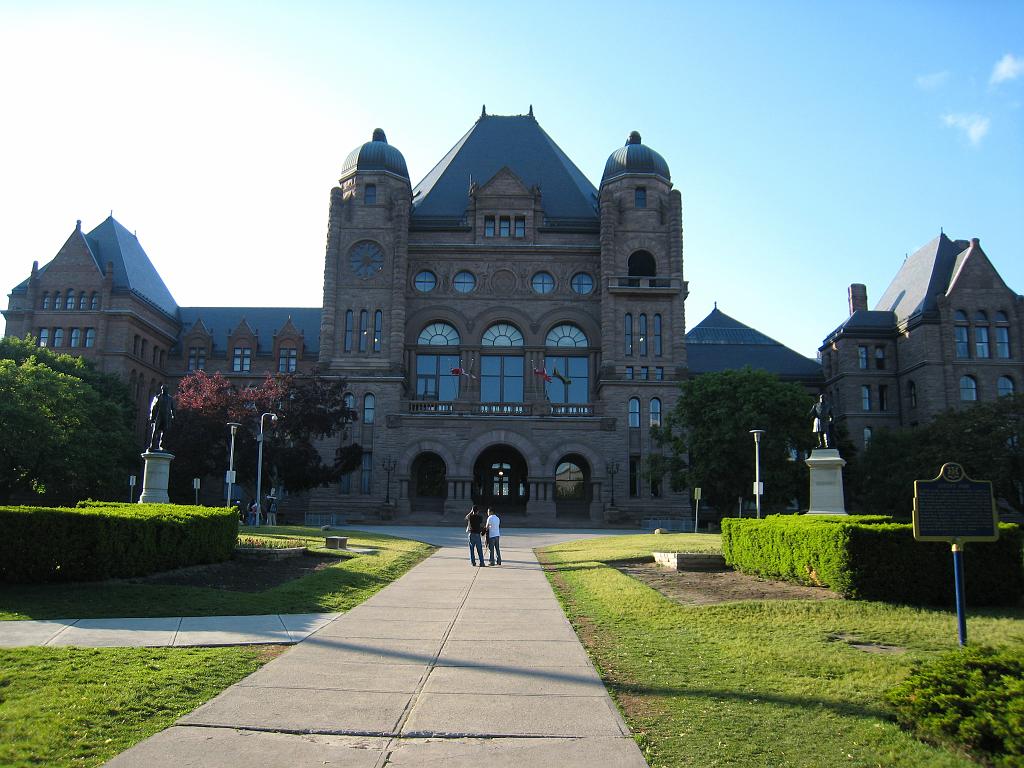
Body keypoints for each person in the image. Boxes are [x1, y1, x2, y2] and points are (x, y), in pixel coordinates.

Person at [147, 384, 175, 451]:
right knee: (155, 431)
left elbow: (173, 408)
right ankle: (152, 446)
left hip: (167, 416)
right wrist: (152, 418)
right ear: (161, 389)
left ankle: (162, 446)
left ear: (167, 390)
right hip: (158, 416)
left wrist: (174, 416)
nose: (164, 390)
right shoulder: (158, 397)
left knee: (165, 431)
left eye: (165, 389)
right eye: (163, 389)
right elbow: (153, 408)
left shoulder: (170, 399)